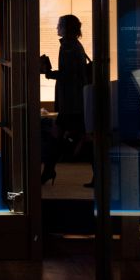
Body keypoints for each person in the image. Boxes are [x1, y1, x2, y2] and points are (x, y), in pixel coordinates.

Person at [40, 14, 90, 185]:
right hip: (75, 103)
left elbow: (67, 74)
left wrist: (48, 72)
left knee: (55, 138)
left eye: (59, 24)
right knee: (77, 137)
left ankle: (48, 172)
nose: (56, 27)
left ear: (66, 27)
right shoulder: (74, 45)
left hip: (71, 104)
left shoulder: (68, 46)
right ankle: (48, 171)